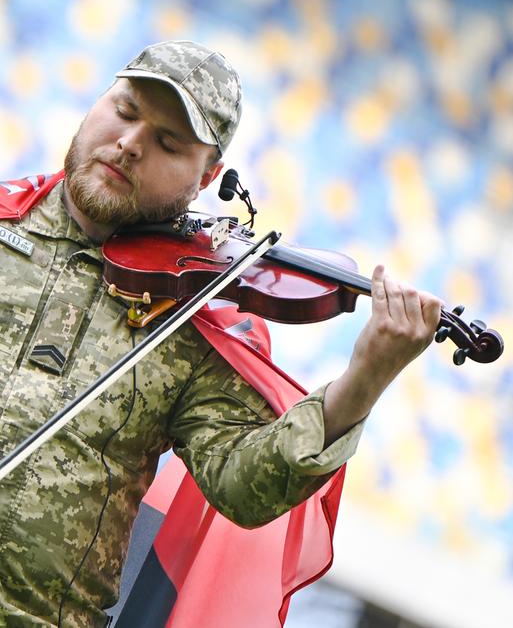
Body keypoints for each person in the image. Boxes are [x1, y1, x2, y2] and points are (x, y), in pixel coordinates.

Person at [0, 40, 442, 627]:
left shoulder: (194, 316)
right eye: (126, 112)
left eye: (168, 143)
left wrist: (367, 376)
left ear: (207, 177)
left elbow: (245, 488)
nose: (130, 144)